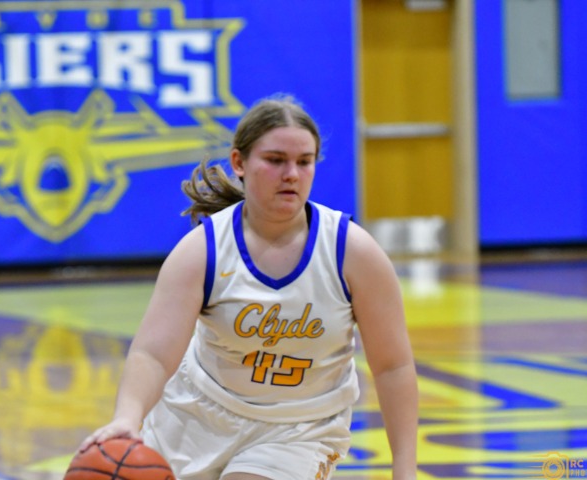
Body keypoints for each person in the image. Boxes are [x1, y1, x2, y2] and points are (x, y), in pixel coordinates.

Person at [79, 94, 418, 480]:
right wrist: (127, 418)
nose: (291, 174)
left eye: (304, 162)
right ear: (239, 163)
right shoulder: (202, 250)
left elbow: (393, 366)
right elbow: (154, 354)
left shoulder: (352, 251)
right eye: (276, 160)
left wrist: (404, 470)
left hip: (299, 428)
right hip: (196, 413)